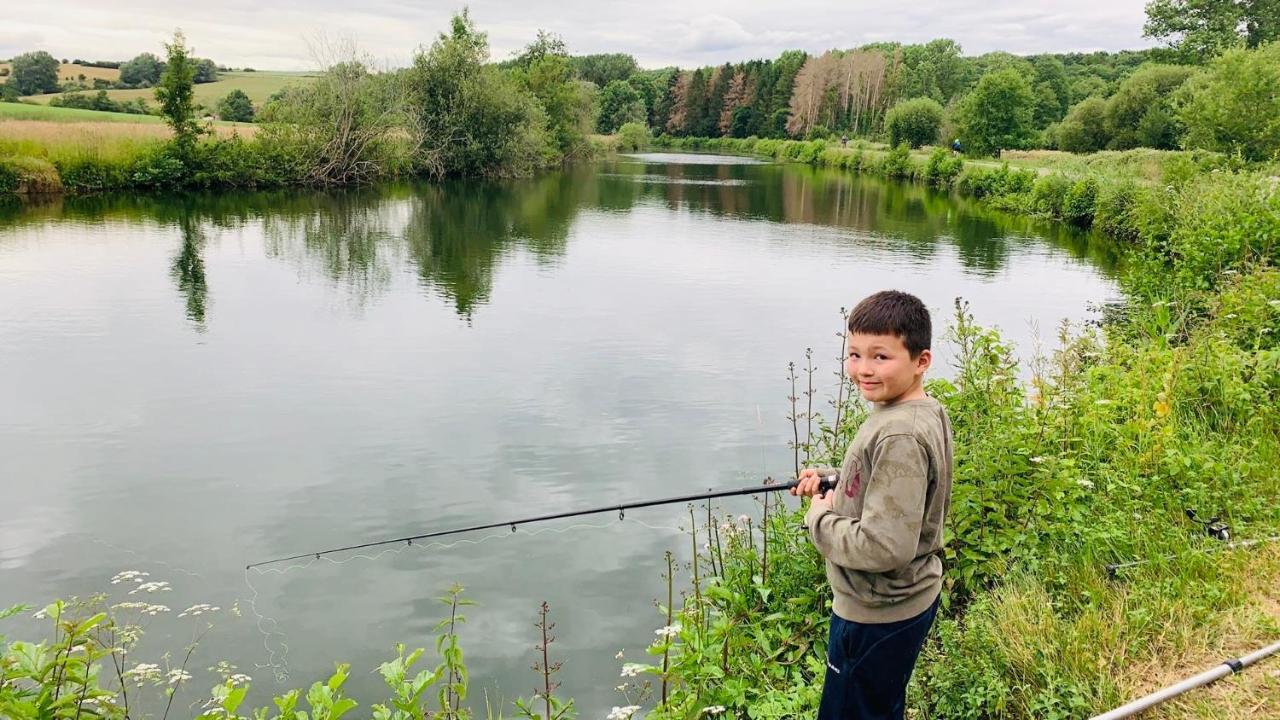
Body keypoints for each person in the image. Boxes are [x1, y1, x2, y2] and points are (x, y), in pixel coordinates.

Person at [791, 290, 953, 720]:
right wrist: (839, 482)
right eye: (855, 354)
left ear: (922, 361)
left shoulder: (900, 434)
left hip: (876, 613)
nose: (863, 369)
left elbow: (885, 547)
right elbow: (896, 489)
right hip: (904, 603)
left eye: (881, 357)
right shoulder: (922, 410)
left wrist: (820, 518)